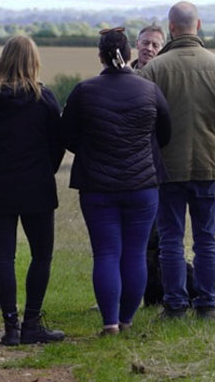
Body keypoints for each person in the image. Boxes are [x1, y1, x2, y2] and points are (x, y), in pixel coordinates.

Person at [62, 27, 171, 335]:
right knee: (135, 252)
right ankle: (127, 320)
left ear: (100, 55)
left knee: (106, 253)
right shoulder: (149, 90)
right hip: (143, 186)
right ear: (130, 53)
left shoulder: (84, 91)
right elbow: (165, 134)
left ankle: (109, 322)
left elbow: (68, 136)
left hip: (97, 186)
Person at [139, 1, 215, 319]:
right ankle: (208, 305)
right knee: (206, 241)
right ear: (198, 26)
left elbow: (144, 119)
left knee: (171, 239)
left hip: (168, 168)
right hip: (209, 166)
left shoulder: (154, 69)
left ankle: (174, 305)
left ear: (171, 28)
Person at [0, 36, 65, 346]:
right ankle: (31, 322)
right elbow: (57, 144)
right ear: (34, 61)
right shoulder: (44, 99)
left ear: (3, 60)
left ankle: (10, 326)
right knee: (41, 256)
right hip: (37, 187)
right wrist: (45, 169)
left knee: (4, 256)